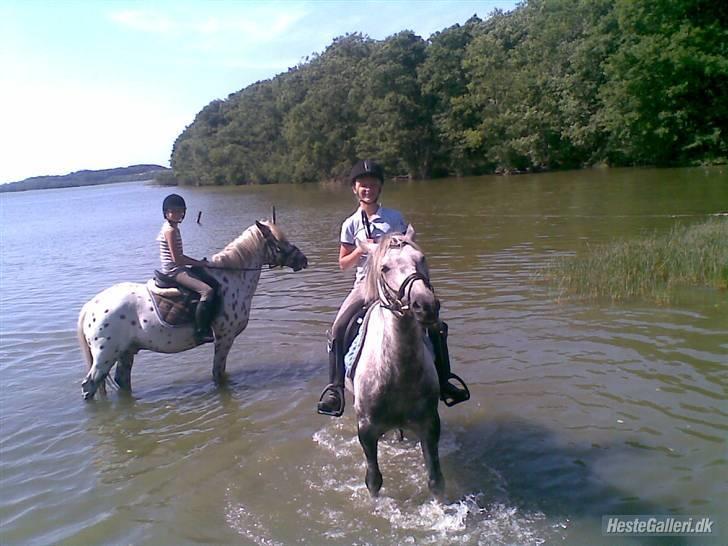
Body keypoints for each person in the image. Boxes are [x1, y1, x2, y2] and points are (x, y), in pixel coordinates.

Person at [317, 159, 470, 417]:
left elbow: (407, 252)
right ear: (354, 189)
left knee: (436, 325)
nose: (368, 190)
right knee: (337, 329)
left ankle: (444, 382)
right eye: (362, 186)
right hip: (366, 286)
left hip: (396, 285)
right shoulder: (349, 224)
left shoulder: (394, 218)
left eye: (373, 185)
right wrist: (360, 250)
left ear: (380, 189)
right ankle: (335, 390)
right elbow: (343, 263)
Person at [157, 193, 216, 344]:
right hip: (174, 271)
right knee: (207, 291)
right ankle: (201, 331)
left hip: (177, 267)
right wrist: (199, 263)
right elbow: (177, 259)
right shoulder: (170, 230)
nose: (178, 214)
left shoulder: (173, 227)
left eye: (180, 211)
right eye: (174, 211)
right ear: (166, 212)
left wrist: (197, 264)